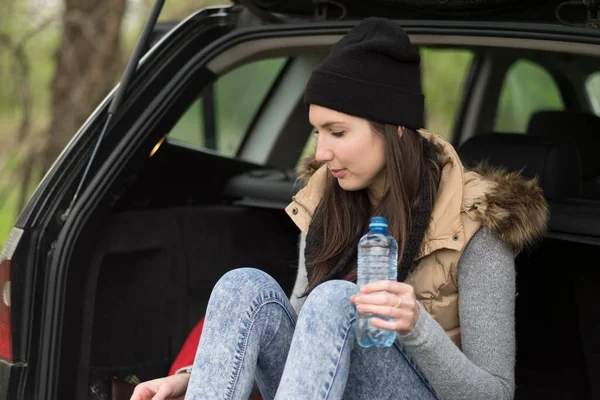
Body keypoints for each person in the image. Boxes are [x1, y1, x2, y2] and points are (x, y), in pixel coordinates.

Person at [130, 17, 549, 400]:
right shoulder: (324, 199)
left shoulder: (478, 221)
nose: (321, 152)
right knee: (242, 287)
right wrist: (189, 377)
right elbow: (297, 332)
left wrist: (417, 327)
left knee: (336, 300)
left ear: (395, 128)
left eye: (337, 132)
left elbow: (495, 393)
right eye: (317, 131)